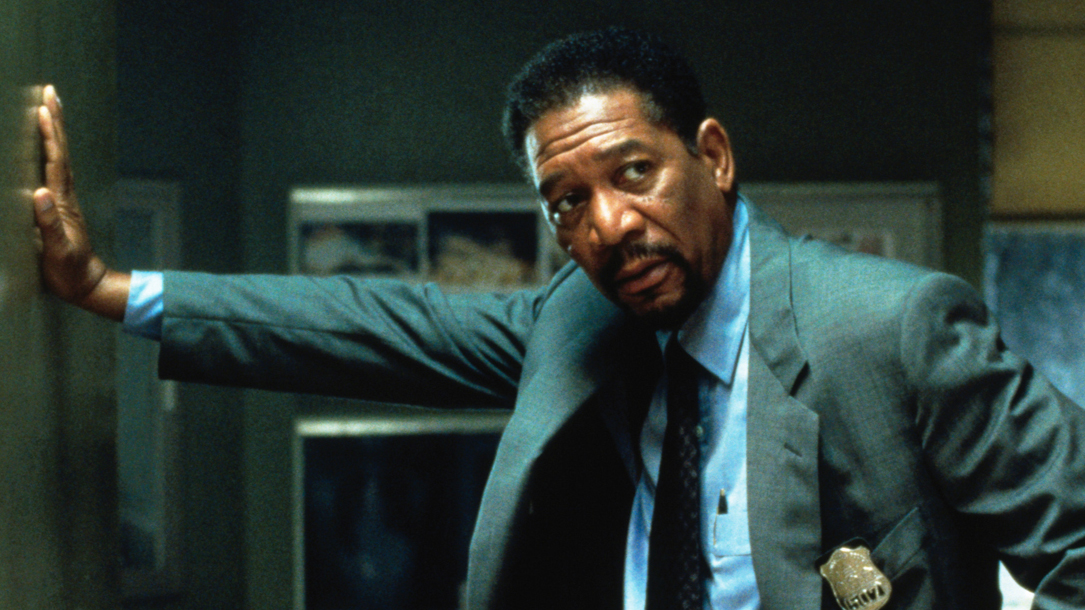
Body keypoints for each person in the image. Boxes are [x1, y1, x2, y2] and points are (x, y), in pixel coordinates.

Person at [33, 27, 1085, 610]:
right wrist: (106, 288)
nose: (609, 225)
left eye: (633, 173)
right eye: (567, 202)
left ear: (711, 157)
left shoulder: (889, 328)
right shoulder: (580, 322)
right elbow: (369, 324)